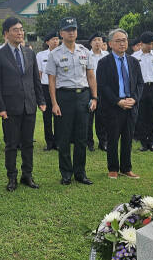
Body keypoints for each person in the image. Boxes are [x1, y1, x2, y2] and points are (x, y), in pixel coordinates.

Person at [0, 17, 45, 191]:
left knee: (28, 143)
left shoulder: (30, 53)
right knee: (11, 144)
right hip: (10, 107)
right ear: (6, 33)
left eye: (21, 29)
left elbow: (35, 79)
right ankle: (12, 177)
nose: (20, 33)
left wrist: (41, 100)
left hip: (28, 104)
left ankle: (27, 175)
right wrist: (1, 108)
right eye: (16, 29)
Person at [46, 17, 98, 185]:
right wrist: (54, 103)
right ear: (61, 33)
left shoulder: (85, 51)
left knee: (82, 137)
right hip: (64, 97)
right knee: (64, 137)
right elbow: (52, 80)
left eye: (74, 29)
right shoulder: (55, 54)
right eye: (68, 30)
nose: (71, 32)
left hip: (83, 96)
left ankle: (80, 173)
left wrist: (94, 97)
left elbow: (91, 76)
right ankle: (66, 173)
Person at [97, 29, 143, 179]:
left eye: (124, 40)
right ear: (110, 44)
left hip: (130, 105)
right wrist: (118, 101)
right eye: (118, 41)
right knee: (113, 138)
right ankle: (113, 168)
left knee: (128, 138)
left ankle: (126, 168)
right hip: (113, 107)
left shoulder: (134, 62)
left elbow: (140, 84)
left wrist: (134, 99)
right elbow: (102, 86)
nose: (122, 43)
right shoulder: (104, 62)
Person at [36, 31, 60, 151]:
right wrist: (39, 92)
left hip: (59, 88)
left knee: (59, 116)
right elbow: (39, 74)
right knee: (47, 117)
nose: (56, 41)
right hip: (45, 88)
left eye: (57, 39)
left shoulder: (62, 53)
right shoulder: (40, 55)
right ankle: (49, 142)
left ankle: (58, 142)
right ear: (47, 42)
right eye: (53, 39)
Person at [87, 33, 109, 152]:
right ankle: (89, 142)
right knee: (89, 117)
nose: (97, 42)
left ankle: (103, 142)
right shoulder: (86, 55)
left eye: (99, 40)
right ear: (91, 43)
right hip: (89, 89)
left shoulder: (107, 55)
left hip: (103, 90)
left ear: (102, 42)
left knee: (102, 118)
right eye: (94, 40)